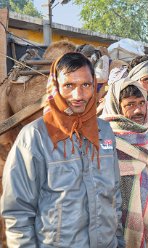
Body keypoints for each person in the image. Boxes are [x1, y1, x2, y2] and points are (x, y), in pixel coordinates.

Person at [0, 53, 125, 247]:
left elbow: (114, 194)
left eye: (86, 85)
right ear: (56, 87)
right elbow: (17, 211)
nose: (79, 95)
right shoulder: (35, 136)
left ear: (94, 86)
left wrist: (117, 240)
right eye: (69, 86)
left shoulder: (104, 131)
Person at [100, 78, 148, 247]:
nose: (138, 111)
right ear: (116, 106)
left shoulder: (144, 133)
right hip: (115, 218)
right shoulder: (103, 136)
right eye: (130, 105)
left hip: (147, 210)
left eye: (142, 103)